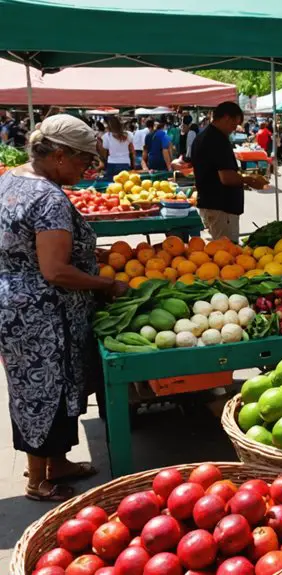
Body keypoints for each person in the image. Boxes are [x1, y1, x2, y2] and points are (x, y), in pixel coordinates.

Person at [0, 114, 129, 501]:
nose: (87, 169)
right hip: (43, 314)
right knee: (45, 392)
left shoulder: (11, 179)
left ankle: (58, 463)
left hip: (17, 305)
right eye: (82, 161)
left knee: (40, 389)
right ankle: (38, 480)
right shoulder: (49, 199)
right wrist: (106, 282)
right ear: (58, 155)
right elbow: (55, 270)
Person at [192, 102, 268, 241]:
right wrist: (249, 179)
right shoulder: (217, 140)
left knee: (220, 251)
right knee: (227, 253)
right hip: (221, 207)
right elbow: (226, 177)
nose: (234, 129)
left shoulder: (204, 136)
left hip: (212, 204)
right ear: (226, 118)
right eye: (234, 124)